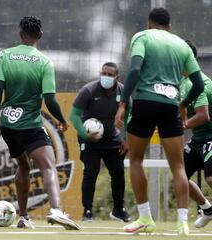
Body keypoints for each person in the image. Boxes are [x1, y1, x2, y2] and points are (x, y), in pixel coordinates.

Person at [114, 8, 204, 236]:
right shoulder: (182, 45)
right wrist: (183, 104)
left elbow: (134, 68)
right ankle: (183, 223)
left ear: (149, 23)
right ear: (170, 26)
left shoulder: (142, 37)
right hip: (171, 105)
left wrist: (123, 103)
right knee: (178, 166)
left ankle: (145, 217)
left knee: (135, 159)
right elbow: (198, 84)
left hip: (145, 102)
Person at [0, 16, 80, 230]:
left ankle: (23, 217)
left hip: (8, 126)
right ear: (41, 35)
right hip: (30, 124)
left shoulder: (4, 55)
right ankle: (56, 209)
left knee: (23, 165)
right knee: (48, 166)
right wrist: (62, 120)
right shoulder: (44, 62)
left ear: (20, 34)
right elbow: (50, 100)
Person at [69, 62, 131, 222]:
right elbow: (74, 115)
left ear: (117, 76)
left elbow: (131, 116)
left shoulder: (124, 92)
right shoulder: (88, 90)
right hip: (90, 139)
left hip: (113, 138)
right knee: (90, 172)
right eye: (103, 73)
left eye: (110, 75)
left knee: (118, 173)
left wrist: (127, 139)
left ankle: (118, 210)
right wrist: (84, 134)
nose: (106, 77)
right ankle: (87, 211)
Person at [180, 40, 212, 228]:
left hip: (210, 137)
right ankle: (207, 209)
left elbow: (203, 116)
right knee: (180, 178)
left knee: (210, 179)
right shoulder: (183, 81)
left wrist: (180, 126)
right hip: (198, 139)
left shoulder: (199, 82)